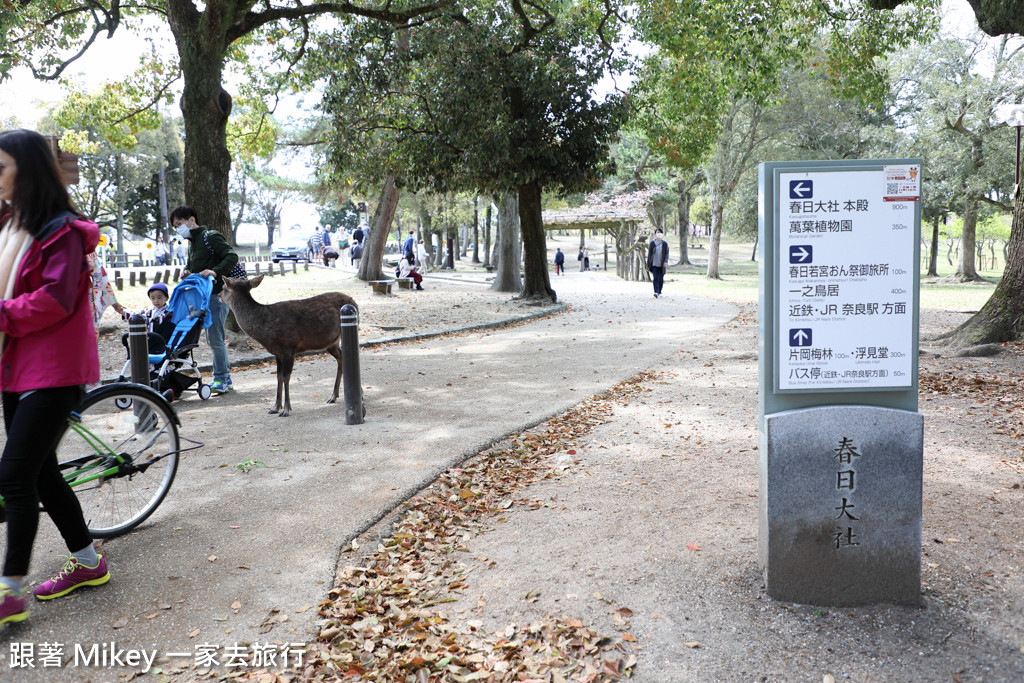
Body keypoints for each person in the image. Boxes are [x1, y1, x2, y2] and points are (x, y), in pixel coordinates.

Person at [0, 129, 111, 626]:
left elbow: (54, 300)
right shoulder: (11, 225)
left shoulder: (61, 230)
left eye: (1, 167)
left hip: (55, 371)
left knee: (16, 476)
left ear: (27, 171)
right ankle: (88, 562)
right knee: (41, 473)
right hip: (15, 367)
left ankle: (9, 591)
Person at [171, 205, 238, 394]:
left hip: (218, 295)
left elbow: (232, 256)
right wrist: (187, 271)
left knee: (215, 338)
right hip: (203, 297)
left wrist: (215, 271)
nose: (178, 229)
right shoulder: (192, 243)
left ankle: (222, 379)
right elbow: (196, 265)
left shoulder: (211, 236)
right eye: (175, 226)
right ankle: (223, 378)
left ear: (192, 220)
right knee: (212, 338)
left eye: (180, 224)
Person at [120, 282, 175, 356]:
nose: (156, 301)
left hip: (162, 342)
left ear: (166, 298)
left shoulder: (169, 313)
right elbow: (136, 315)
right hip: (149, 341)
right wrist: (123, 313)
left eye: (159, 298)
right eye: (153, 298)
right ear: (150, 298)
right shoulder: (148, 312)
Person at [646, 229, 669, 298]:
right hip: (654, 263)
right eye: (657, 232)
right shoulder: (652, 243)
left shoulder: (664, 243)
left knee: (661, 278)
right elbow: (649, 254)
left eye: (660, 232)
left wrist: (665, 261)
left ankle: (660, 292)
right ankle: (656, 291)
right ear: (655, 234)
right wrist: (648, 264)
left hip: (662, 264)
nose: (659, 234)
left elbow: (667, 253)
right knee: (655, 277)